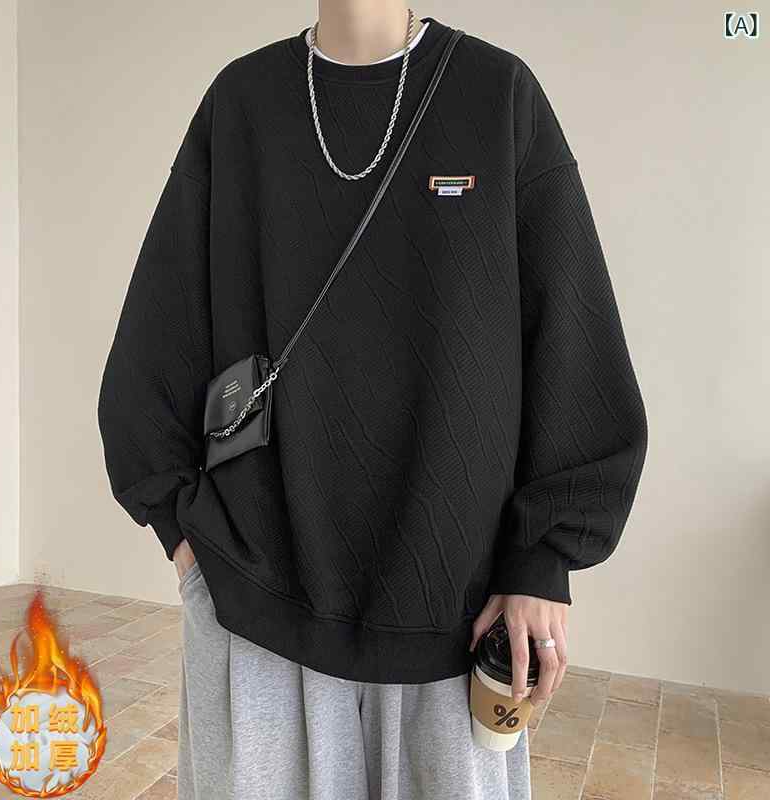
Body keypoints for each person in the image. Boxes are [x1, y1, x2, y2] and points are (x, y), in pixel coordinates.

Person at [97, 3, 648, 798]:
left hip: (453, 607)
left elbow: (573, 337)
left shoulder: (496, 95)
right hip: (257, 600)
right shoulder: (242, 103)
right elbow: (157, 338)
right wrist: (188, 545)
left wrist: (542, 559)